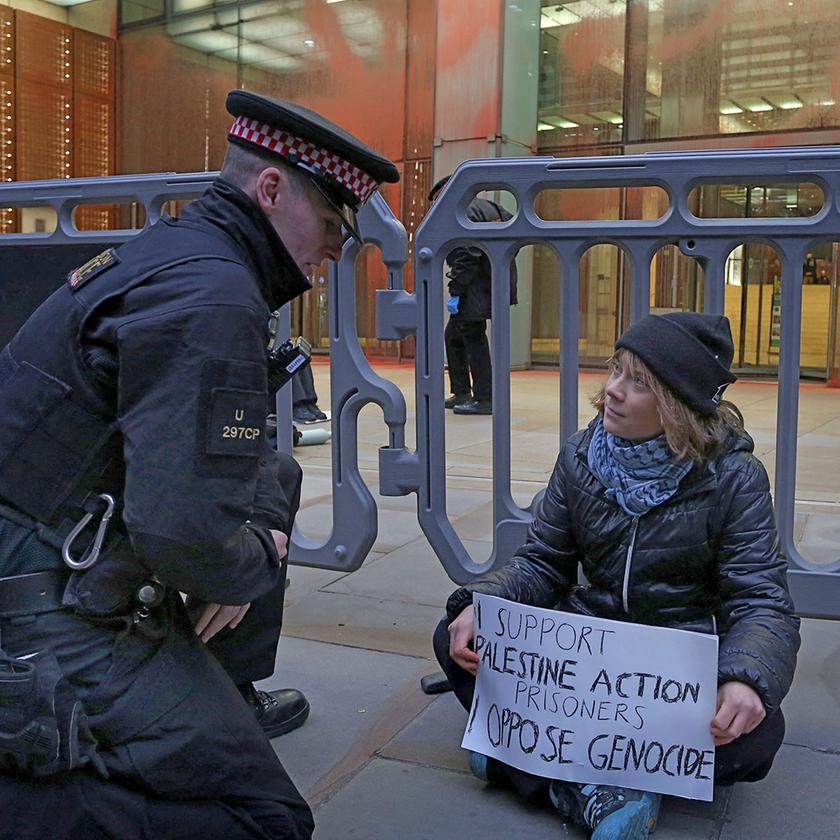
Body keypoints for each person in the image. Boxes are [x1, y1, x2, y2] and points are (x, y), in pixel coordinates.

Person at [0, 90, 398, 838]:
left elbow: (230, 466)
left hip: (59, 552)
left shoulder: (179, 255)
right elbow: (182, 533)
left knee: (271, 487)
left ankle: (199, 699)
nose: (338, 249)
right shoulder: (213, 296)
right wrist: (250, 562)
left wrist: (240, 550)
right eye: (333, 223)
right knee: (263, 818)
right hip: (46, 603)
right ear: (271, 189)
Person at [433, 312, 800, 840]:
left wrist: (745, 678)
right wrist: (482, 601)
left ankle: (533, 767)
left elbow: (761, 601)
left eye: (638, 382)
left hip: (674, 663)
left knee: (759, 733)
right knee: (458, 638)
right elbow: (542, 562)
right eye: (615, 370)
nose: (611, 390)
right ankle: (610, 783)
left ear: (678, 405)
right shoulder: (581, 456)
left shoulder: (733, 477)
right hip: (586, 652)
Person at [428, 175, 517, 416]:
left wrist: (456, 289)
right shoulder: (490, 207)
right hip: (494, 282)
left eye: (436, 199)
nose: (436, 205)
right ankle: (463, 391)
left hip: (475, 288)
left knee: (474, 338)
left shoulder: (463, 210)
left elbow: (468, 253)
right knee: (454, 335)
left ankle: (485, 398)